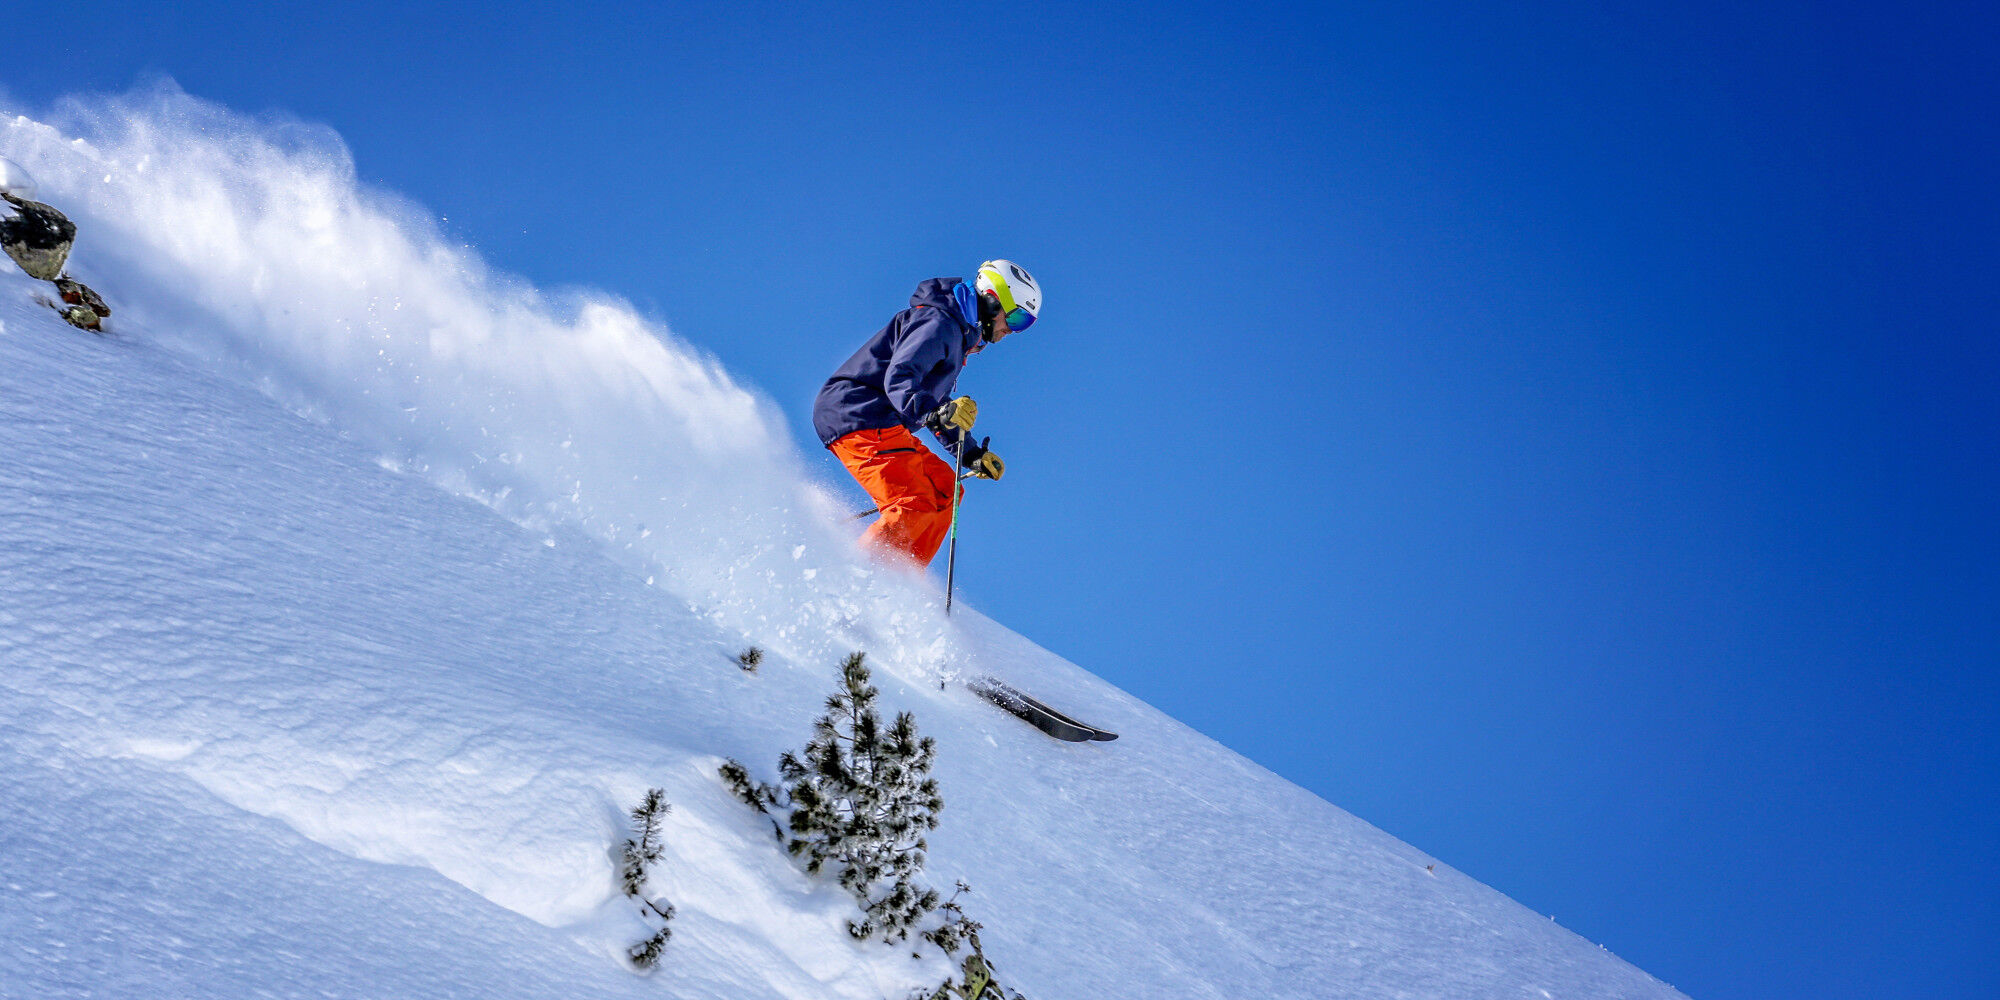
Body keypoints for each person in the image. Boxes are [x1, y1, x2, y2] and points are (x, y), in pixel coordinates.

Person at [813, 260, 1042, 566]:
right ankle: (861, 575)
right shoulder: (939, 323)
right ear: (991, 299)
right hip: (858, 412)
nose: (1011, 330)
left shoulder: (956, 334)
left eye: (1024, 324)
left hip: (881, 419)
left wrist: (971, 454)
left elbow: (936, 401)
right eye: (1015, 317)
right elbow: (900, 378)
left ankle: (901, 578)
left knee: (945, 489)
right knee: (913, 503)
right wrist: (933, 412)